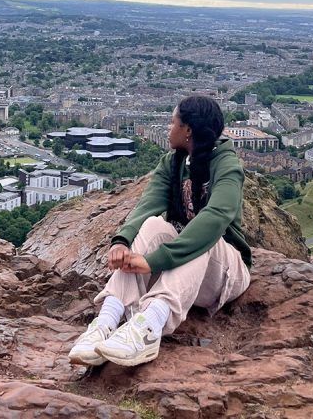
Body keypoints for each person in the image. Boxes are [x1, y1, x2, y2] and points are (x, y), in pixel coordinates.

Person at [68, 94, 251, 367]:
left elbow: (215, 218)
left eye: (172, 122)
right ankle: (106, 322)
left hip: (224, 273)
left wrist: (154, 261)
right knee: (154, 225)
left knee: (202, 235)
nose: (168, 128)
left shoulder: (227, 165)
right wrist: (122, 241)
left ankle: (148, 329)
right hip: (188, 275)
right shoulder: (173, 162)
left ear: (187, 130)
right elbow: (148, 205)